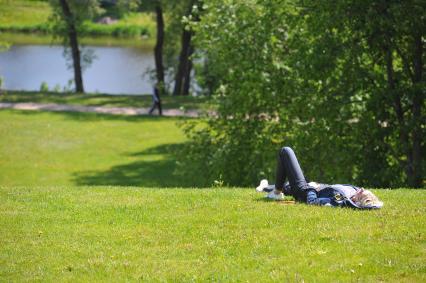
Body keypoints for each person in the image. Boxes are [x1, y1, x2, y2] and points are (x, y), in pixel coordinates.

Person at [256, 146, 383, 209]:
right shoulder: (354, 191)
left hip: (304, 191)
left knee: (286, 151)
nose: (360, 189)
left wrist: (311, 188)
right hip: (314, 186)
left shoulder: (340, 200)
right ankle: (266, 188)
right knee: (286, 184)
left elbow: (313, 202)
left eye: (362, 193)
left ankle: (276, 193)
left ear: (357, 201)